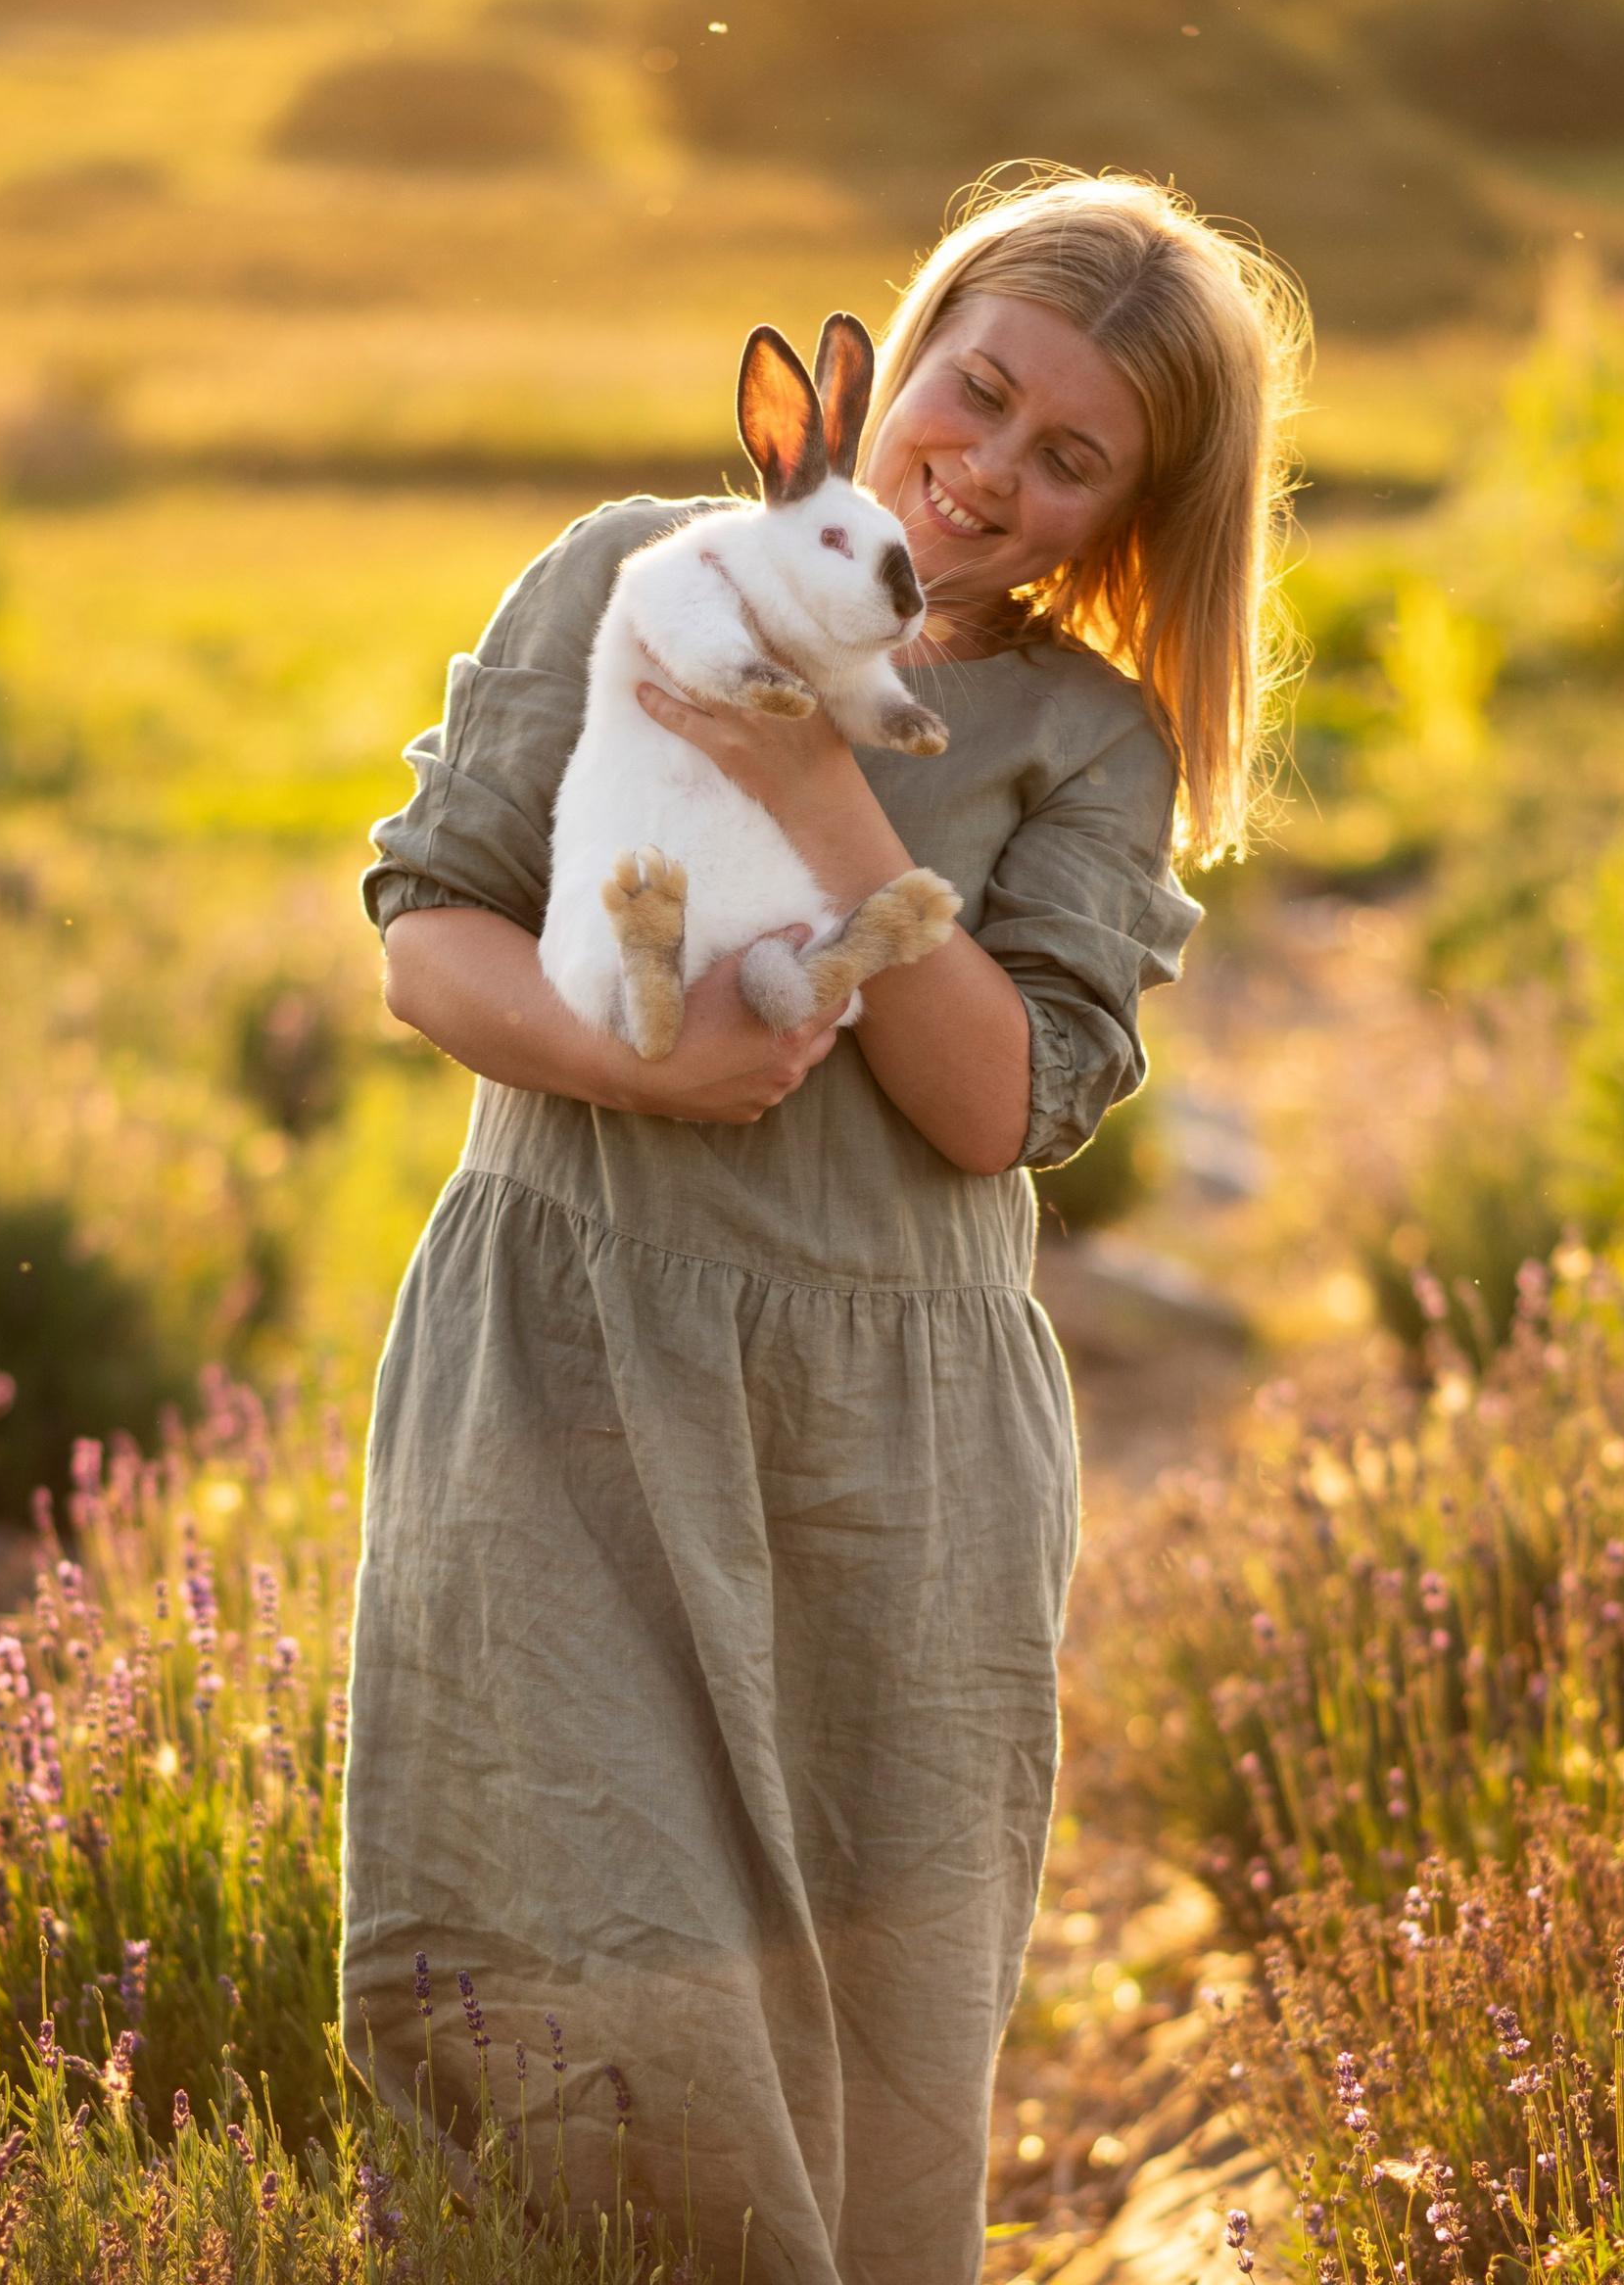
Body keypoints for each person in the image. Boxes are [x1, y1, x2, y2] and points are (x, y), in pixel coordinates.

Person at [341, 168, 1303, 2284]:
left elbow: (994, 1107)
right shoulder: (628, 573)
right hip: (565, 1364)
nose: (987, 472)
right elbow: (433, 935)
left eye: (1071, 462)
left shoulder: (1086, 732)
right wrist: (645, 1071)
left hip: (891, 1445)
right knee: (561, 1971)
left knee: (863, 2053)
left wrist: (817, 786)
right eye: (975, 395)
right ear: (905, 347)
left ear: (1132, 515)